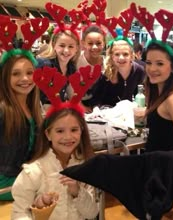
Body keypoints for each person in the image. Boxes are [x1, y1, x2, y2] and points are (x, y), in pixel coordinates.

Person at [11, 107, 99, 220]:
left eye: (74, 130)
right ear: (48, 134)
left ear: (81, 131)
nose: (68, 137)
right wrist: (39, 210)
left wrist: (77, 191)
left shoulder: (85, 165)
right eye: (60, 131)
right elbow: (19, 213)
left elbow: (91, 214)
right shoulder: (34, 171)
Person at [0, 16, 48, 201]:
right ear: (5, 77)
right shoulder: (3, 111)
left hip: (26, 182)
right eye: (16, 74)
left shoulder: (33, 108)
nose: (26, 79)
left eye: (30, 73)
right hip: (7, 188)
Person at [91, 38, 145, 107]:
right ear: (112, 56)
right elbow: (95, 99)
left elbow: (139, 95)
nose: (121, 58)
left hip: (126, 111)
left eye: (125, 54)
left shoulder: (139, 70)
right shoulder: (106, 73)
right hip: (107, 111)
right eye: (117, 54)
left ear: (131, 55)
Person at [37, 29, 80, 106]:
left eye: (71, 46)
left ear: (76, 49)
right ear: (54, 45)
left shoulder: (71, 68)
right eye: (62, 45)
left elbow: (71, 93)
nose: (66, 50)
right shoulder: (44, 65)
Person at [77, 25, 106, 109]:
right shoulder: (76, 60)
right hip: (77, 102)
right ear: (83, 43)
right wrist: (79, 105)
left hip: (99, 105)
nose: (94, 47)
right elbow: (69, 86)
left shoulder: (107, 63)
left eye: (98, 43)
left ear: (103, 43)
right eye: (90, 43)